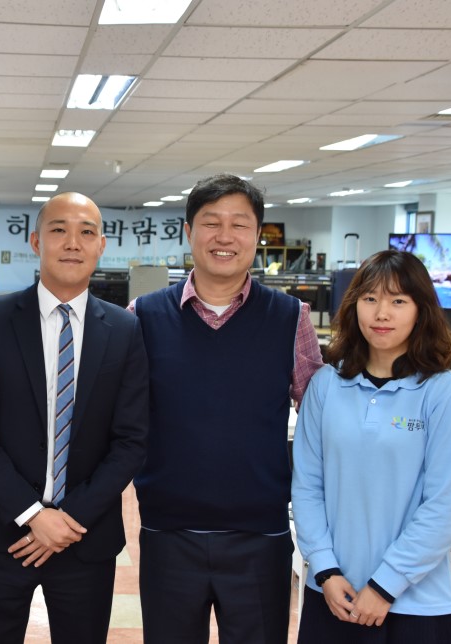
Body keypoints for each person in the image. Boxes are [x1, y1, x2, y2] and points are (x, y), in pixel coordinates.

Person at [130, 173, 324, 644]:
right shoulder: (143, 316)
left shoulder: (290, 318)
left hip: (261, 536)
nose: (225, 236)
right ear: (188, 231)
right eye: (211, 222)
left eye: (239, 224)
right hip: (168, 532)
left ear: (257, 235)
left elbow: (322, 420)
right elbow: (116, 421)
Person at [0, 192, 149, 644]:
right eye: (59, 230)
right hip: (3, 534)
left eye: (86, 232)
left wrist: (69, 518)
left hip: (86, 537)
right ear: (36, 241)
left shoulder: (124, 329)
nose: (72, 243)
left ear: (101, 245)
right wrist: (32, 514)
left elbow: (131, 440)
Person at [291, 250, 451, 643]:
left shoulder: (445, 393)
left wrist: (385, 584)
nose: (382, 313)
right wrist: (324, 569)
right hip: (333, 594)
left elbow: (445, 504)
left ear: (421, 310)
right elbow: (307, 487)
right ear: (354, 306)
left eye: (398, 301)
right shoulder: (325, 385)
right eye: (370, 298)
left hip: (416, 603)